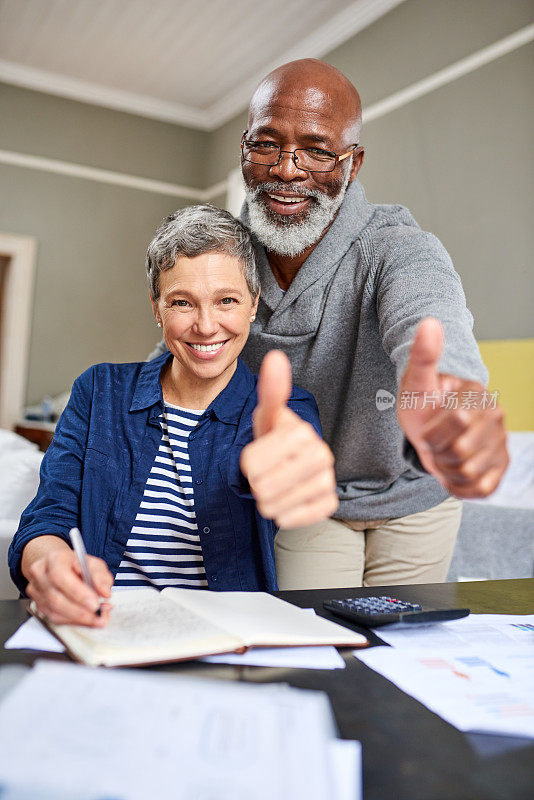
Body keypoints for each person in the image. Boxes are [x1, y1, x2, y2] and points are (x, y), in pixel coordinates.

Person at [152, 59, 509, 590]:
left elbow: (431, 322)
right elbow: (177, 354)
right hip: (308, 496)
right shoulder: (223, 252)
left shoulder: (397, 248)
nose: (287, 169)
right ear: (245, 149)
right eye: (266, 144)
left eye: (317, 150)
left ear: (353, 163)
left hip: (415, 495)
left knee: (399, 650)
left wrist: (449, 401)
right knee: (314, 640)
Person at [8, 205, 337, 626]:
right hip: (101, 626)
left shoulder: (287, 409)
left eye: (227, 301)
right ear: (157, 308)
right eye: (182, 302)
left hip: (224, 635)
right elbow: (49, 513)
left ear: (253, 304)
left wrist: (290, 472)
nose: (205, 325)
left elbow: (292, 457)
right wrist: (48, 560)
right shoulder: (98, 391)